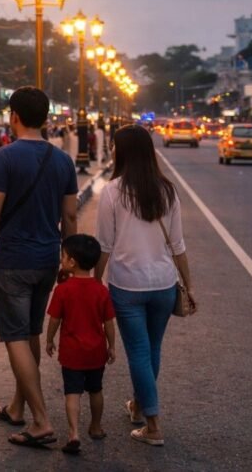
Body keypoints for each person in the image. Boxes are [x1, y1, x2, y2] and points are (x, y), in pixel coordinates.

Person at [0, 87, 79, 449]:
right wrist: (67, 259)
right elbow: (71, 216)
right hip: (47, 259)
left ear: (13, 116)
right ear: (46, 118)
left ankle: (41, 421)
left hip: (13, 260)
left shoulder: (5, 157)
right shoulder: (62, 161)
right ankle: (17, 407)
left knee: (14, 338)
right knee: (29, 333)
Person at [95, 124, 196, 447]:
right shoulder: (167, 190)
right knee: (151, 349)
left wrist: (94, 282)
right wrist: (189, 286)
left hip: (127, 285)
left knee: (139, 351)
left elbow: (105, 245)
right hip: (164, 285)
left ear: (121, 151)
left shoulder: (113, 191)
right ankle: (138, 407)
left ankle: (152, 424)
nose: (111, 150)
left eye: (114, 146)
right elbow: (178, 245)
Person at [45, 234, 116, 455]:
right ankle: (96, 427)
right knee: (96, 390)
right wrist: (111, 346)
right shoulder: (101, 290)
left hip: (72, 353)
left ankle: (74, 433)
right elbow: (109, 322)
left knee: (72, 393)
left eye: (63, 257)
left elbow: (55, 319)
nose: (61, 261)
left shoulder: (63, 290)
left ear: (72, 262)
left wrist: (49, 339)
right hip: (96, 352)